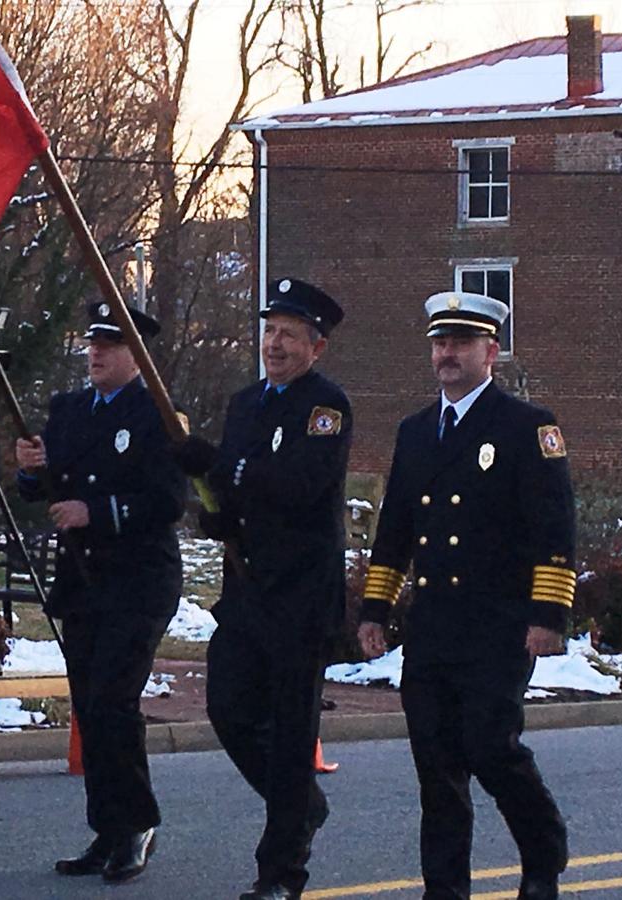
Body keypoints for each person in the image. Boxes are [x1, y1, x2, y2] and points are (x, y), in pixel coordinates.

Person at [357, 291, 574, 900]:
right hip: (432, 628)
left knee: (489, 748)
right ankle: (444, 888)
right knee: (436, 765)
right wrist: (376, 607)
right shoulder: (416, 430)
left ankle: (543, 852)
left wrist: (549, 615)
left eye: (461, 343)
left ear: (491, 351)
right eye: (439, 343)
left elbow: (554, 529)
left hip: (498, 625)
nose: (447, 354)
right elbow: (395, 527)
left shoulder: (527, 426)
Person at [174, 277, 351, 900]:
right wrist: (212, 505)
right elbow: (234, 497)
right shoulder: (246, 403)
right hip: (248, 593)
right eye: (269, 331)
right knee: (227, 707)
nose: (274, 345)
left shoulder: (326, 408)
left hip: (300, 599)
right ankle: (301, 801)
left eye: (289, 335)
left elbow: (295, 486)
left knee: (290, 729)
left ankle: (281, 871)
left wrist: (221, 466)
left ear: (316, 346)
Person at [14, 302, 185, 884]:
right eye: (93, 343)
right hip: (83, 584)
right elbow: (43, 490)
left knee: (114, 699)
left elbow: (168, 502)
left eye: (110, 345)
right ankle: (106, 829)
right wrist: (31, 469)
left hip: (137, 579)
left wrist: (99, 512)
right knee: (90, 707)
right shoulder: (68, 411)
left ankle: (138, 822)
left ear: (136, 354)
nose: (96, 354)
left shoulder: (157, 413)